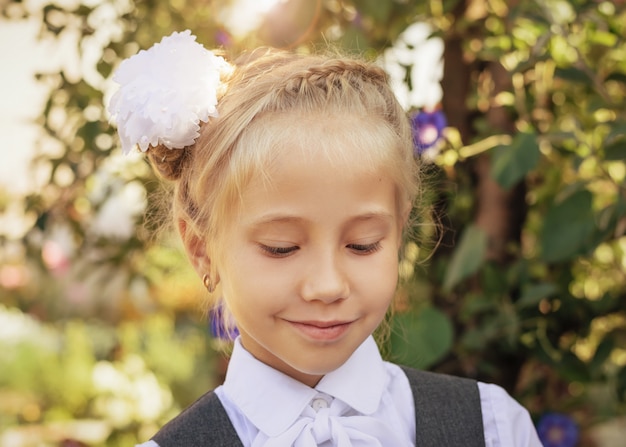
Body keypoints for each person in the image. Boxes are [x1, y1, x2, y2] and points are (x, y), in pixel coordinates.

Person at [108, 30, 542, 447]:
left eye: (363, 244)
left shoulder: (493, 428)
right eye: (282, 247)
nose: (328, 285)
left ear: (399, 231)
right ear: (202, 249)